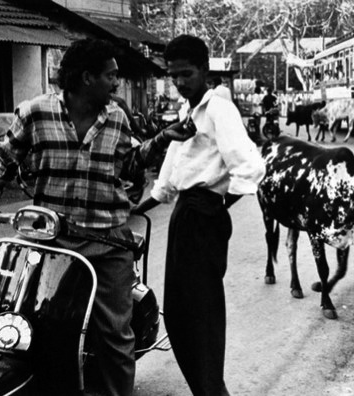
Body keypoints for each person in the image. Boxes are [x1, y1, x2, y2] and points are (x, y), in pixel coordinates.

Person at [0, 38, 195, 396]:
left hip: (105, 241)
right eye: (111, 76)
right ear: (87, 78)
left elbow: (130, 165)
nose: (117, 83)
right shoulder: (35, 112)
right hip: (46, 235)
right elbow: (4, 157)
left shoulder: (117, 117)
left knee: (116, 335)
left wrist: (162, 140)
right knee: (3, 300)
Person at [132, 34, 265, 396]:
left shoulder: (219, 109)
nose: (178, 82)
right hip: (184, 213)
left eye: (186, 74)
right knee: (177, 314)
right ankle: (206, 389)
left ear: (205, 71)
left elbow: (250, 167)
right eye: (173, 75)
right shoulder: (190, 111)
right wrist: (139, 207)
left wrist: (218, 206)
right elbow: (171, 176)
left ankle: (211, 390)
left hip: (202, 214)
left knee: (200, 313)